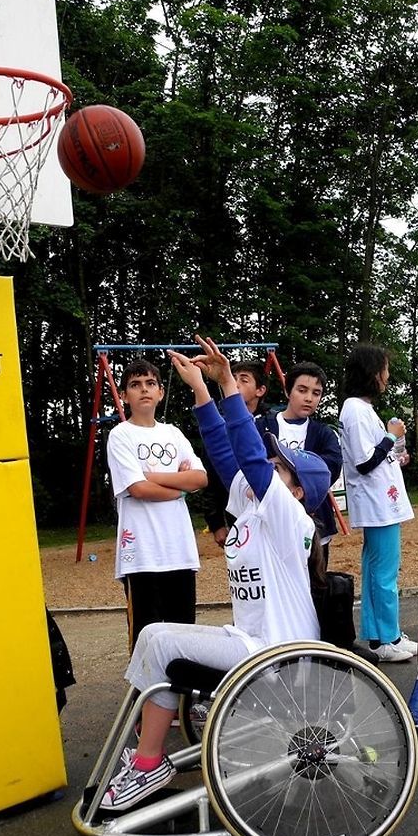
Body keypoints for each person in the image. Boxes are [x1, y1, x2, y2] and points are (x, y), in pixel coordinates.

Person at [98, 337, 328, 810]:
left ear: (297, 490)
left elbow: (248, 456)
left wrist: (227, 382)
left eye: (278, 467)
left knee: (161, 642)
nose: (266, 467)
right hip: (249, 640)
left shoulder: (289, 516)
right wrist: (201, 389)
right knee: (155, 637)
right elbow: (225, 456)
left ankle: (148, 763)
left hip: (275, 649)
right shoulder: (254, 504)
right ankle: (146, 756)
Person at [106, 359, 208, 650]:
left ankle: (181, 683)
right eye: (135, 385)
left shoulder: (173, 433)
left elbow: (200, 478)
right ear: (124, 395)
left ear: (161, 392)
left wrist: (151, 476)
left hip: (180, 552)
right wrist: (179, 489)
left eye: (150, 383)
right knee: (146, 638)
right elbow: (137, 489)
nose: (144, 390)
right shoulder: (120, 435)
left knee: (184, 637)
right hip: (142, 556)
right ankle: (145, 682)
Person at [339, 343, 416, 663]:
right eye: (384, 370)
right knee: (384, 573)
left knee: (377, 570)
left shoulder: (359, 408)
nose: (387, 377)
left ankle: (381, 634)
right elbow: (364, 462)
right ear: (371, 373)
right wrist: (391, 435)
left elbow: (376, 456)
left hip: (382, 503)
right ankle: (386, 638)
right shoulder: (356, 410)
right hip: (377, 505)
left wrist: (395, 453)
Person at [262, 361, 344, 564]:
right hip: (271, 524)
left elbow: (329, 470)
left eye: (316, 393)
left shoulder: (324, 434)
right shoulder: (263, 427)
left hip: (315, 526)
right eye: (302, 390)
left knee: (315, 581)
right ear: (288, 391)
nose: (309, 398)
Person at [200, 360, 271, 547]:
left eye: (244, 380)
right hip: (237, 516)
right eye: (233, 378)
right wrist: (216, 523)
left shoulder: (273, 424)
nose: (235, 383)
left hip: (272, 510)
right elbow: (211, 477)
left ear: (260, 390)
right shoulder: (221, 428)